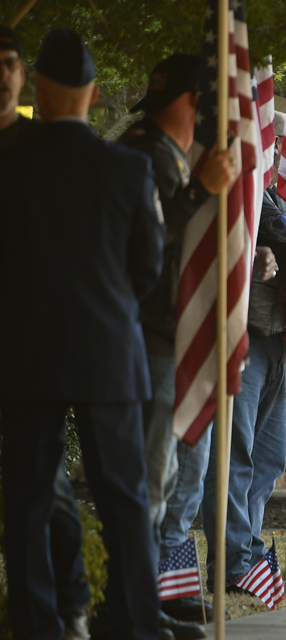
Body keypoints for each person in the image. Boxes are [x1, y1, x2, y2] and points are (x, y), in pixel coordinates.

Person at [0, 29, 166, 640]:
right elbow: (147, 268)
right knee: (123, 499)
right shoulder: (128, 168)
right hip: (109, 353)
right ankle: (134, 621)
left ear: (36, 90)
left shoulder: (8, 161)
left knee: (27, 502)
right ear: (95, 96)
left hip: (26, 352)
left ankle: (35, 622)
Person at [118, 54, 234, 629]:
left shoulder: (164, 155)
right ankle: (135, 606)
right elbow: (149, 248)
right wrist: (200, 192)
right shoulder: (144, 154)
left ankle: (155, 595)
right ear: (198, 105)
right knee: (152, 476)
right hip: (155, 336)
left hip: (175, 335)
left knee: (175, 476)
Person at [0, 27, 93, 640]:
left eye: (8, 63)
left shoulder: (40, 147)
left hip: (31, 347)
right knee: (35, 485)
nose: (1, 75)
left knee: (33, 486)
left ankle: (56, 612)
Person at [202, 112, 286, 595]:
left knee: (268, 458)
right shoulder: (244, 188)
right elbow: (280, 225)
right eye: (277, 143)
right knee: (234, 454)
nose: (284, 154)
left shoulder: (278, 194)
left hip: (280, 339)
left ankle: (245, 554)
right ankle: (230, 563)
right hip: (241, 338)